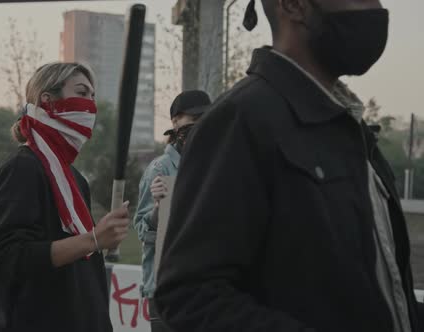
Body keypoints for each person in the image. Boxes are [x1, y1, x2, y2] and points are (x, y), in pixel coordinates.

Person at [155, 1, 424, 331]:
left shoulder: (349, 126)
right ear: (293, 5)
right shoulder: (240, 121)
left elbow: (380, 290)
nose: (375, 8)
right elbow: (189, 295)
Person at [0, 62, 130, 332]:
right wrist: (92, 239)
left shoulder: (74, 178)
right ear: (47, 101)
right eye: (82, 93)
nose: (91, 105)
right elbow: (7, 259)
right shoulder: (22, 169)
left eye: (93, 96)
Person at [133, 90, 210, 332]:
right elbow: (143, 232)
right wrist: (158, 209)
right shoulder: (160, 169)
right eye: (193, 118)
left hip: (206, 288)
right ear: (175, 123)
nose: (200, 125)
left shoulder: (212, 164)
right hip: (167, 291)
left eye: (205, 118)